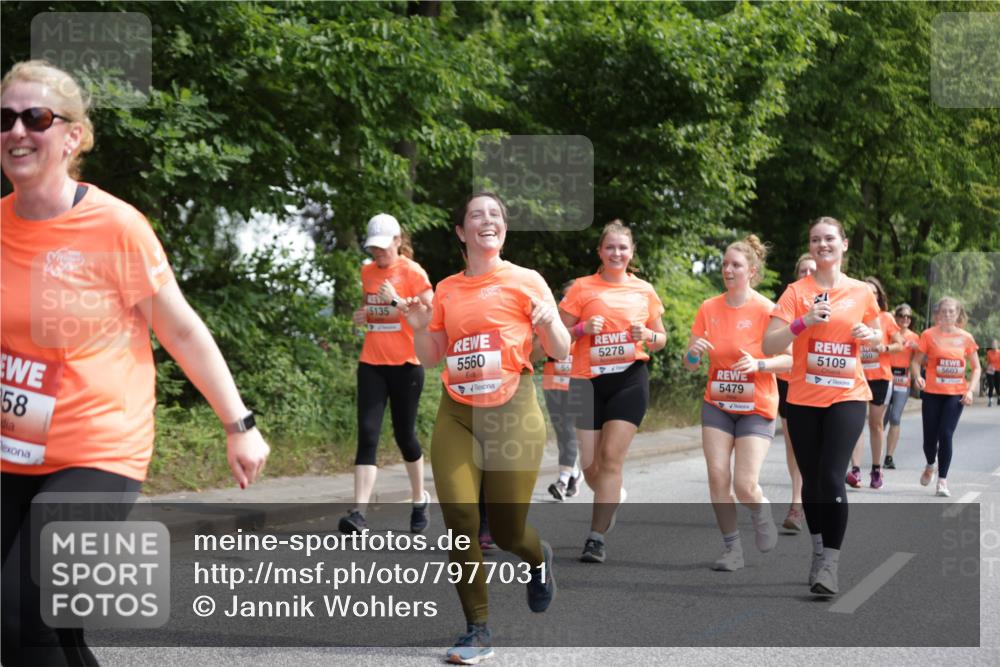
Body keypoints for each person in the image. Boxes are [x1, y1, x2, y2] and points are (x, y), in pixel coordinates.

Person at [1, 60, 269, 666]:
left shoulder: (115, 226)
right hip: (15, 449)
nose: (17, 131)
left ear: (72, 136)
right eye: (5, 118)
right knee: (49, 628)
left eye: (35, 117)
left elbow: (180, 329)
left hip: (99, 450)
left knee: (17, 616)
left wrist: (239, 425)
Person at [397, 192, 569, 665]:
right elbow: (432, 356)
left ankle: (538, 559)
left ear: (504, 230)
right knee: (461, 524)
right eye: (476, 215)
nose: (486, 221)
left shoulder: (526, 280)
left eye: (494, 215)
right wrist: (417, 325)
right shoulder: (447, 290)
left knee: (511, 532)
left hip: (513, 409)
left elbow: (561, 348)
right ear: (461, 232)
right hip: (457, 412)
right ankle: (477, 629)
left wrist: (550, 321)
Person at [764, 216, 882, 597]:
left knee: (832, 476)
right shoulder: (796, 291)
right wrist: (803, 322)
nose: (822, 245)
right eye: (815, 239)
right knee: (812, 482)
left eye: (829, 238)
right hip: (802, 398)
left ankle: (830, 562)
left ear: (844, 244)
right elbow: (768, 345)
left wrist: (870, 335)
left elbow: (879, 337)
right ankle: (817, 550)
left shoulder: (863, 292)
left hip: (848, 395)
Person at [559, 220, 667, 564]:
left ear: (631, 252)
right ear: (600, 252)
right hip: (586, 382)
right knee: (590, 466)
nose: (616, 253)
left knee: (610, 460)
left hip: (629, 379)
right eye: (610, 247)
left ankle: (596, 537)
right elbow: (556, 338)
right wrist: (580, 328)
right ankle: (612, 494)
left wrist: (647, 336)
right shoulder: (580, 288)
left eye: (623, 247)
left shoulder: (644, 291)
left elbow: (661, 338)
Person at [684, 235, 791, 571]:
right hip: (717, 403)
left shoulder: (766, 310)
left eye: (736, 265)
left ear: (752, 271)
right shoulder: (709, 308)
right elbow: (689, 362)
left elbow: (789, 360)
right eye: (725, 264)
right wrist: (693, 353)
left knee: (744, 484)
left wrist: (759, 364)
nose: (728, 270)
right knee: (718, 477)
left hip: (756, 405)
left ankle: (760, 511)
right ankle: (732, 549)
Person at [341, 213, 433, 534]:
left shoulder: (412, 272)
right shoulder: (367, 272)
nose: (377, 255)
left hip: (406, 365)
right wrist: (363, 314)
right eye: (373, 249)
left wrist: (396, 300)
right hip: (372, 363)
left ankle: (419, 498)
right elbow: (376, 312)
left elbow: (429, 314)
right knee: (367, 434)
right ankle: (359, 514)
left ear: (398, 241)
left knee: (404, 436)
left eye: (383, 248)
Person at [911, 297, 980, 497]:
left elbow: (976, 368)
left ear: (958, 314)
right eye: (944, 311)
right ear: (938, 314)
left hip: (955, 394)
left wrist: (970, 390)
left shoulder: (966, 337)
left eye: (951, 311)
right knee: (929, 440)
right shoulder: (928, 335)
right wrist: (917, 377)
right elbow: (916, 362)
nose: (948, 314)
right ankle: (930, 464)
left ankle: (942, 481)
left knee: (946, 434)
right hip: (932, 393)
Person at [846, 277, 903, 489]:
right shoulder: (852, 316)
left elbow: (900, 343)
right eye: (866, 291)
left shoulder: (886, 317)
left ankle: (877, 469)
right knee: (856, 424)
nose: (870, 295)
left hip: (880, 377)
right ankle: (855, 470)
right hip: (857, 377)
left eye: (874, 292)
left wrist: (885, 349)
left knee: (876, 424)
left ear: (879, 296)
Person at [778, 253, 815, 532]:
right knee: (793, 444)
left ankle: (821, 494)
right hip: (788, 379)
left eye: (811, 270)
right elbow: (770, 339)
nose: (807, 275)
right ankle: (796, 503)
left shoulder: (835, 300)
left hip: (820, 382)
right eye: (802, 270)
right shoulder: (789, 300)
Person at [538, 281, 582, 501]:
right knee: (562, 432)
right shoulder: (552, 322)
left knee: (568, 431)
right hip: (552, 383)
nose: (569, 303)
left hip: (577, 384)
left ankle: (562, 481)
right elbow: (541, 347)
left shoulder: (589, 324)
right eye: (566, 299)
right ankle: (574, 473)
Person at [882, 304, 921, 467]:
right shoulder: (889, 332)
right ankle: (877, 452)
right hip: (885, 375)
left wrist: (917, 348)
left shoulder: (915, 337)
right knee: (881, 419)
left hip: (902, 379)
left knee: (895, 417)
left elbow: (920, 361)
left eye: (908, 317)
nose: (906, 319)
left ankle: (889, 457)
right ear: (896, 317)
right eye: (902, 316)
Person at [985, 339, 1000, 407]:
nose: (994, 345)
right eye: (993, 344)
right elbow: (988, 362)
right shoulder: (989, 352)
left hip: (998, 371)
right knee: (991, 385)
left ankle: (999, 397)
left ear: (998, 345)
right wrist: (985, 369)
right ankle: (990, 400)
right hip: (990, 371)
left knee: (997, 386)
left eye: (995, 344)